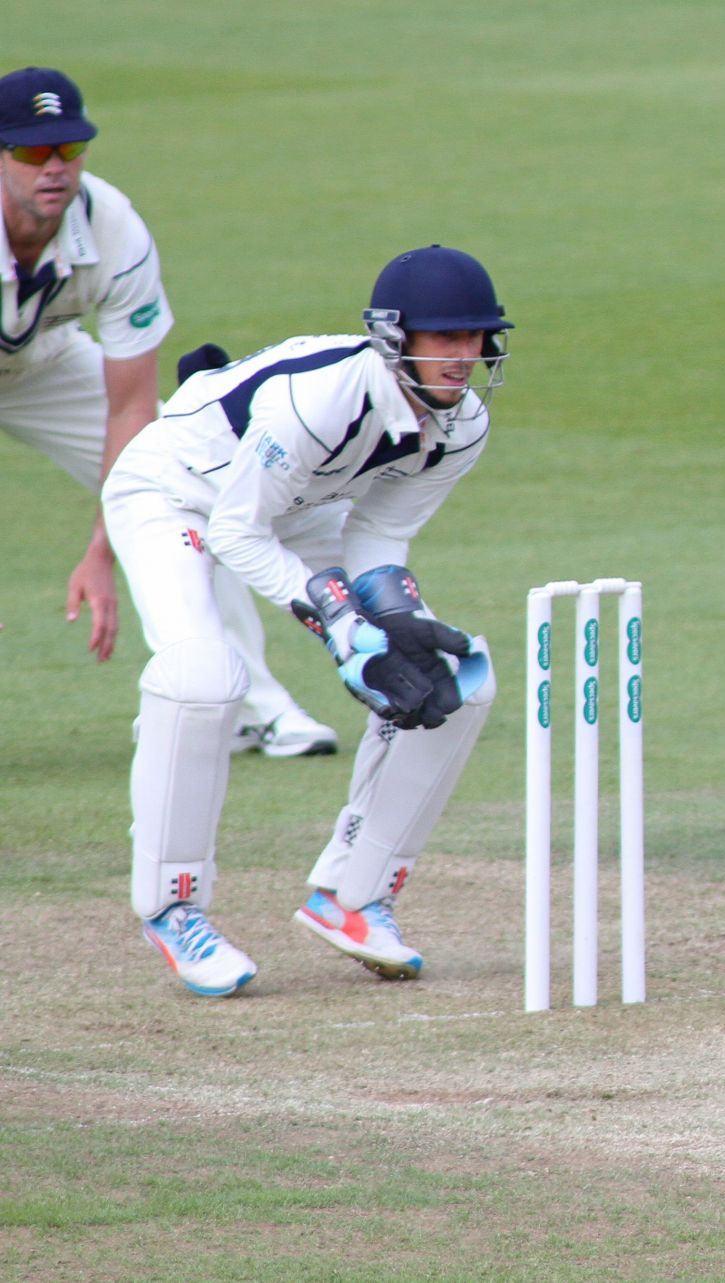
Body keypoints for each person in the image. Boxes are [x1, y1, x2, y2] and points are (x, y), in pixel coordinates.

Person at [101, 244, 510, 996]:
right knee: (202, 676)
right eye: (445, 337)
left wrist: (389, 619)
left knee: (450, 678)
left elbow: (378, 536)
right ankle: (174, 904)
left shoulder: (464, 425)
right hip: (178, 492)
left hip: (302, 507)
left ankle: (355, 894)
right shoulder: (320, 397)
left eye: (476, 337)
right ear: (396, 336)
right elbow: (235, 532)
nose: (464, 355)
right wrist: (345, 628)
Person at [0, 65, 337, 757]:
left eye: (70, 149)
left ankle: (246, 703)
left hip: (42, 361)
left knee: (192, 478)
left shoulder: (113, 225)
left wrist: (105, 547)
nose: (55, 168)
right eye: (33, 154)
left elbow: (133, 413)